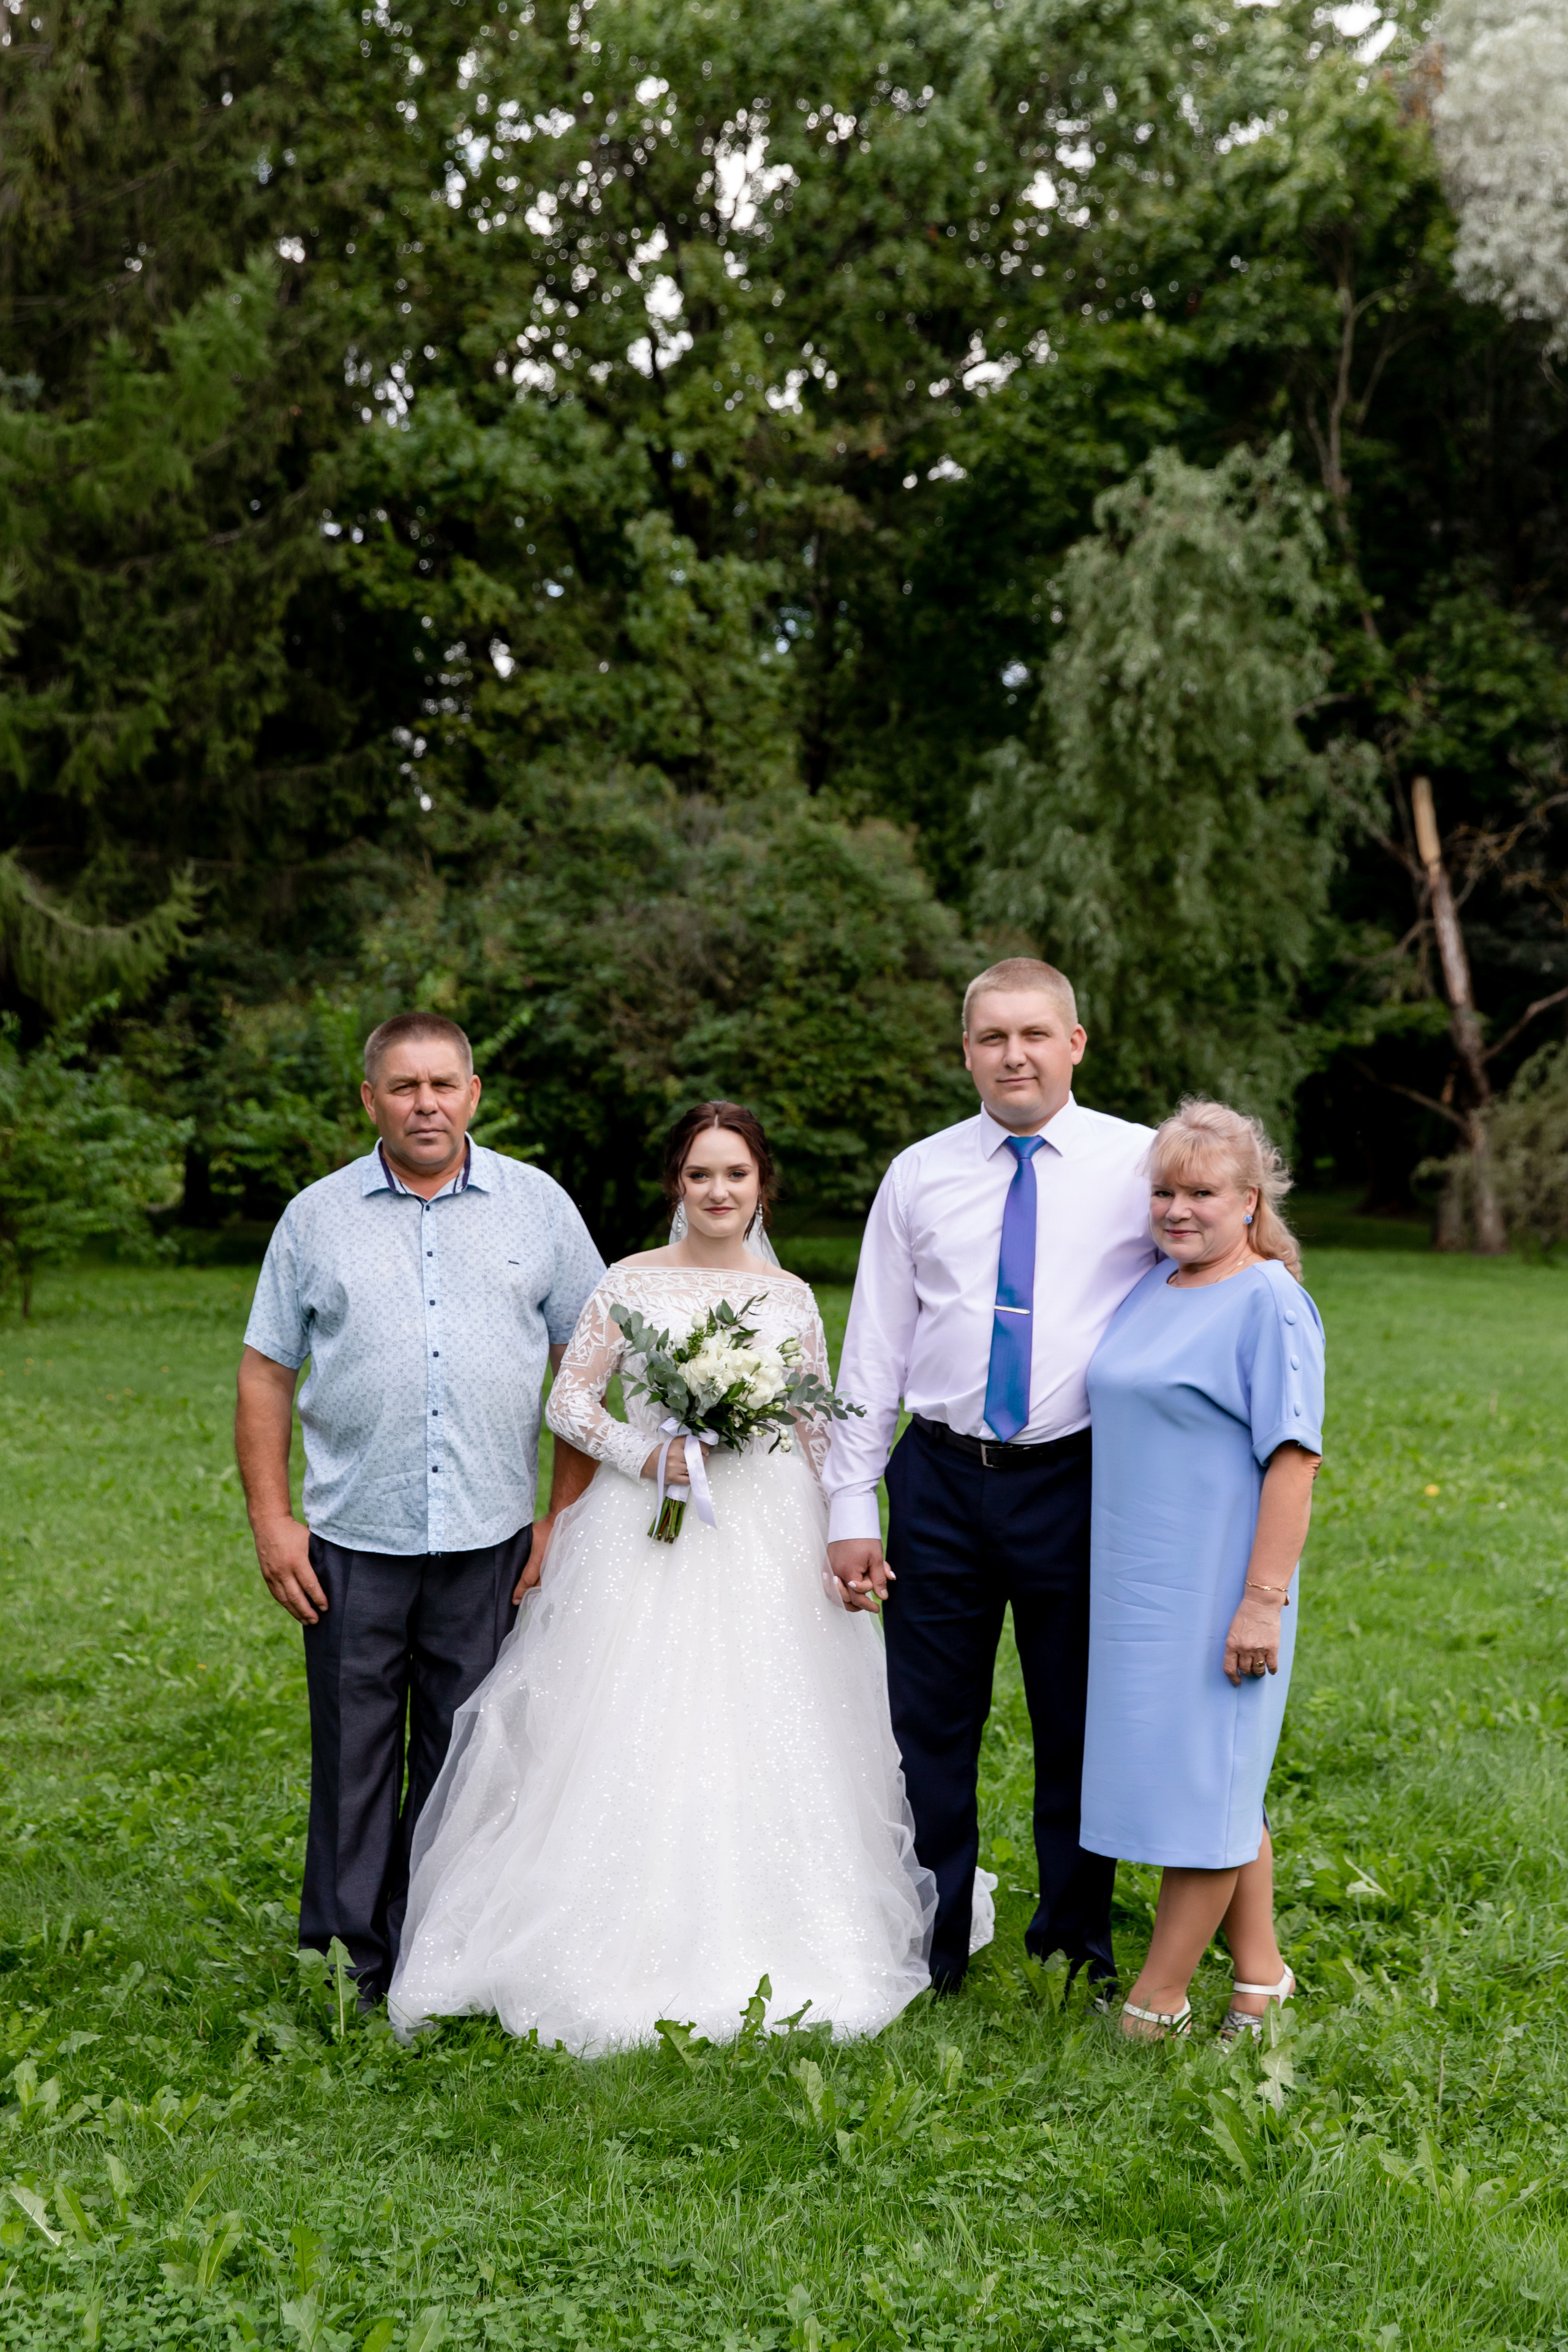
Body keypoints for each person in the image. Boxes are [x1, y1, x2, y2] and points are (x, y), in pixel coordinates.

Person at [386, 1101, 935, 2052]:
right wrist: (654, 1456)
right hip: (644, 1529)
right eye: (698, 1175)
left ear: (762, 1185)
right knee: (629, 1715)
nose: (717, 1193)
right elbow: (569, 1399)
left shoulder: (791, 1296)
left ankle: (789, 1929)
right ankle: (596, 1935)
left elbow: (813, 1424)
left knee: (770, 1719)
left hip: (765, 1527)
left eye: (735, 1175)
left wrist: (844, 1531)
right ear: (676, 1186)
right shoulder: (629, 1283)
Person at [235, 1011, 605, 2005]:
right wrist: (274, 1521)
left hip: (490, 1535)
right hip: (352, 1537)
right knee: (353, 1755)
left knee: (465, 1754)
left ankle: (441, 1957)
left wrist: (558, 1516)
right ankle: (348, 1966)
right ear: (371, 1101)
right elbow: (266, 1370)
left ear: (474, 1094)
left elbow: (589, 1367)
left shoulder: (540, 1208)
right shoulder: (316, 1217)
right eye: (404, 1087)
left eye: (444, 1084)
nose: (426, 1103)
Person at [823, 958, 1159, 1994]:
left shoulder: (1141, 1164)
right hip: (939, 1479)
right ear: (966, 1051)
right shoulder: (919, 1175)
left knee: (1076, 1718)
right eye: (992, 1038)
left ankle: (1074, 1943)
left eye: (1035, 1034)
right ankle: (931, 1940)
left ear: (1076, 1043)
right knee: (926, 1722)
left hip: (1080, 1477)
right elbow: (875, 1345)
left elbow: (1223, 1272)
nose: (1015, 1055)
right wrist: (850, 1501)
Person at [1080, 1099, 1325, 2041]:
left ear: (1250, 1202)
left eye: (1203, 1193)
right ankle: (1260, 1977)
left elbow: (1293, 1460)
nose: (1179, 1210)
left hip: (1224, 1586)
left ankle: (1157, 2000)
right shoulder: (1156, 1286)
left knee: (1206, 1786)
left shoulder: (1267, 1299)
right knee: (1216, 1779)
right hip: (1141, 1584)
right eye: (1164, 1192)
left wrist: (1261, 1604)